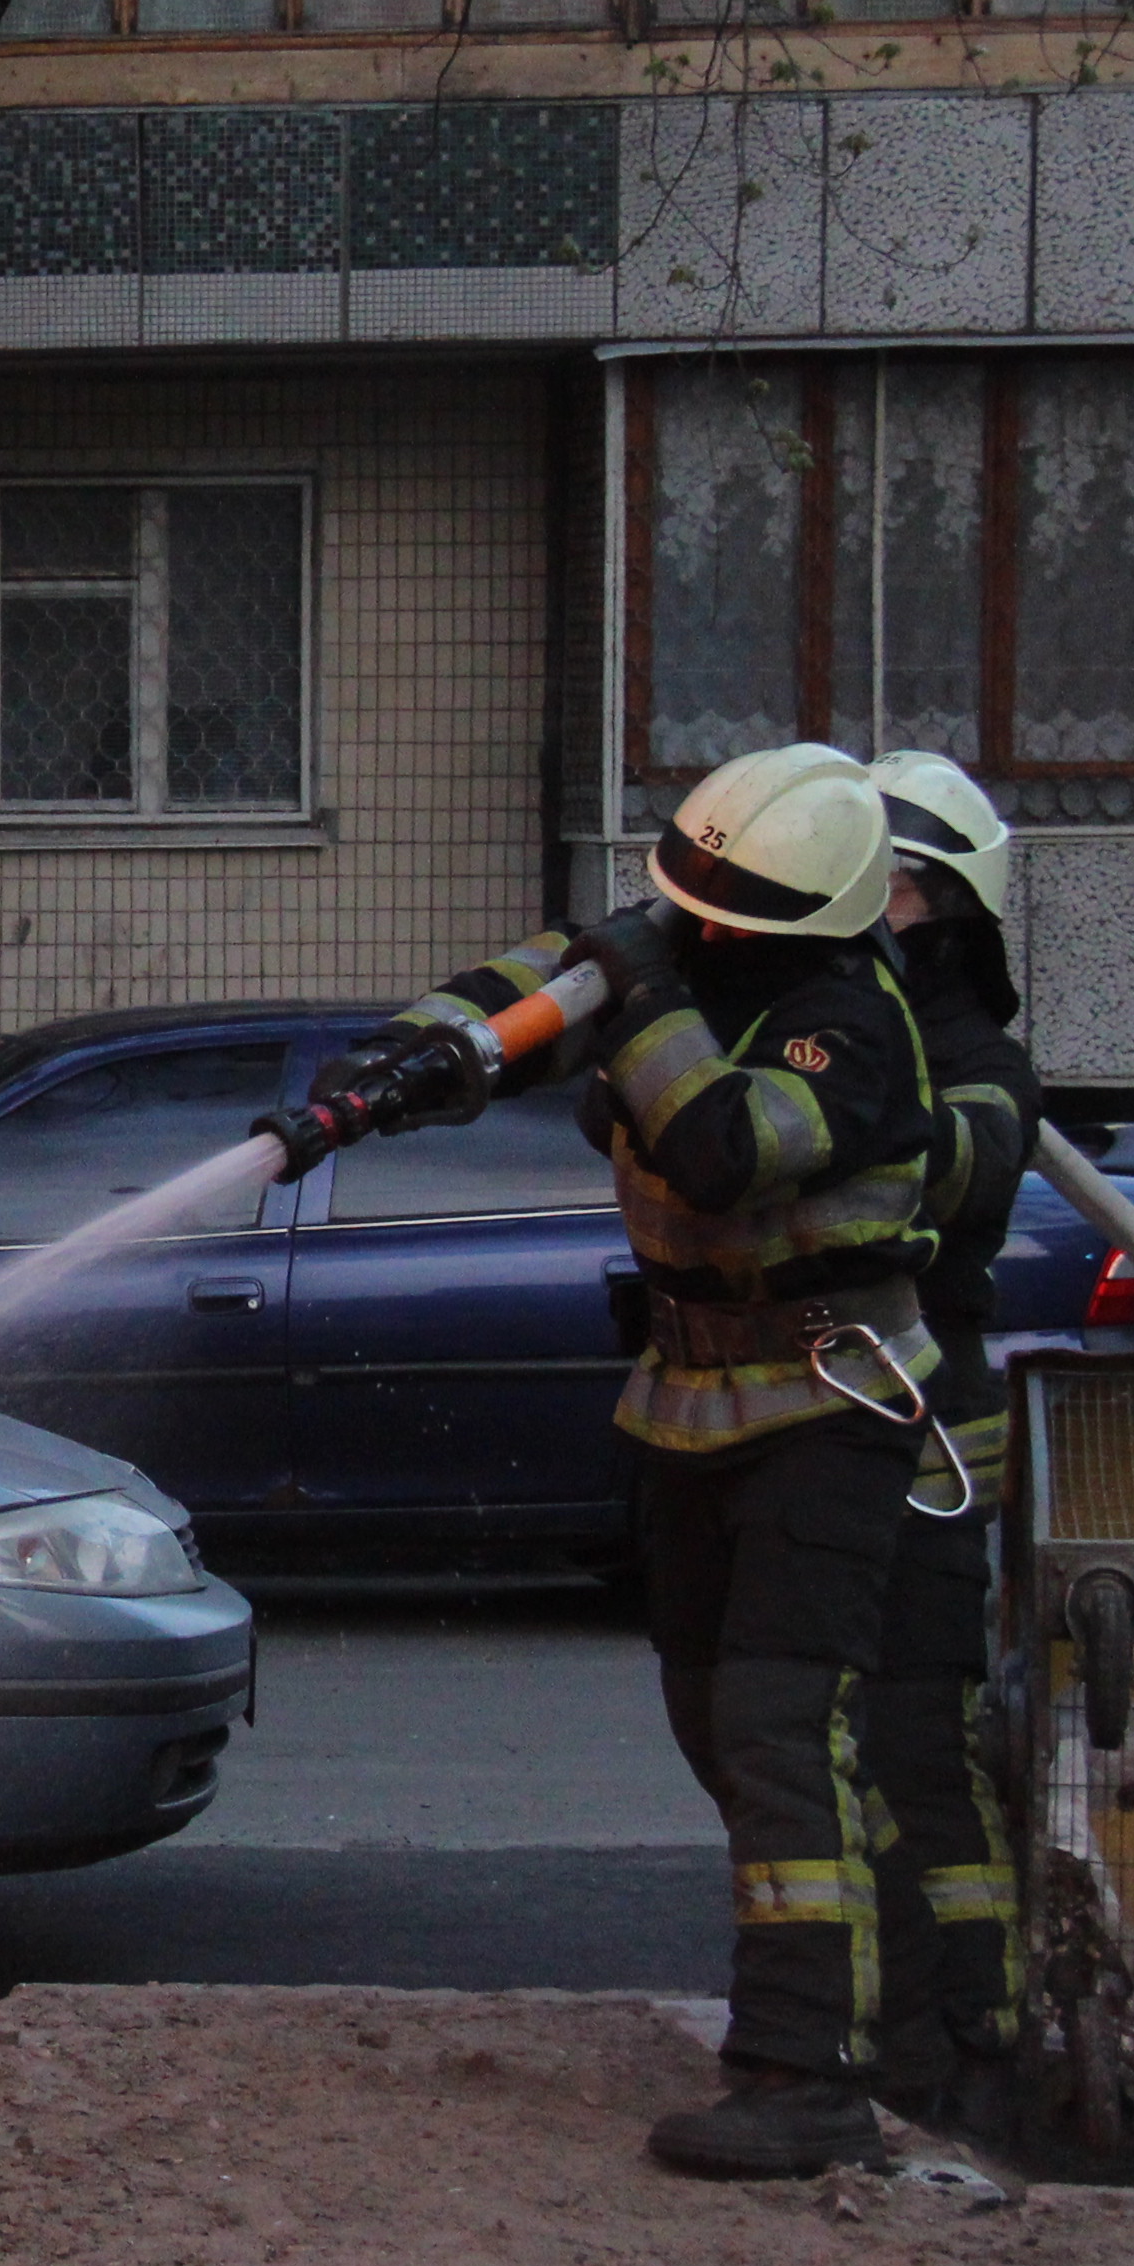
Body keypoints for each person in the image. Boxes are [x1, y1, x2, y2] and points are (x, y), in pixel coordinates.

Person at [290, 745, 949, 2178]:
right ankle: (882, 2013)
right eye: (681, 910)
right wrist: (391, 1067)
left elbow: (719, 1145)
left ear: (802, 917)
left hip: (826, 1412)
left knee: (780, 1729)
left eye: (720, 922)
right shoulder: (689, 942)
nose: (690, 932)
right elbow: (521, 992)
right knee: (724, 1727)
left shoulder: (851, 1025)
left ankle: (809, 2079)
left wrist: (640, 995)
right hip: (694, 1403)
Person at [862, 752, 1035, 2137]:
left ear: (943, 912)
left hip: (922, 1438)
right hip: (843, 1422)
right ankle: (885, 2021)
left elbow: (921, 1166)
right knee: (830, 1735)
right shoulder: (849, 1024)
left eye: (887, 886)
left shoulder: (975, 1070)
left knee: (913, 1735)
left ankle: (969, 2024)